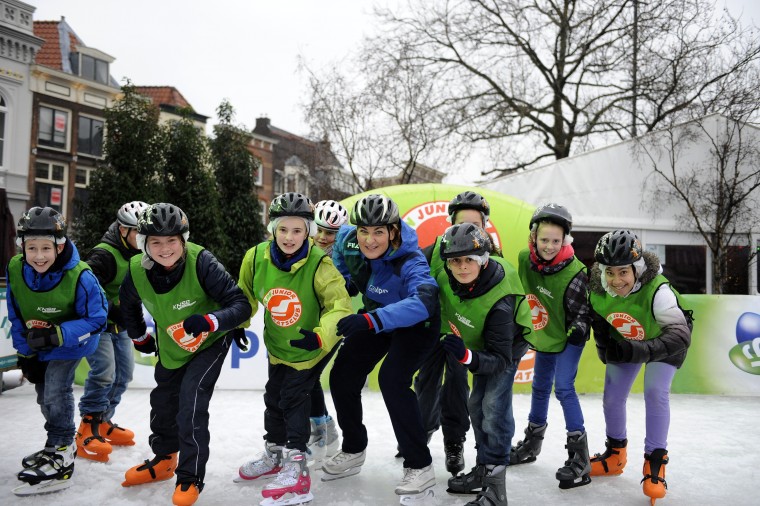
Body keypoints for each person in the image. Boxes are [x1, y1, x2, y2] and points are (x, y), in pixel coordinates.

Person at [119, 203, 252, 506]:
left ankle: (190, 475)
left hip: (209, 342)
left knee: (190, 402)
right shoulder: (137, 270)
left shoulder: (202, 261)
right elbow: (128, 306)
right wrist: (140, 336)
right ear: (144, 244)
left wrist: (211, 320)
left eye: (172, 241)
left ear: (183, 240)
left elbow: (239, 304)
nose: (165, 248)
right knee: (163, 402)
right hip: (172, 345)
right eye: (156, 242)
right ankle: (165, 459)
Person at [321, 194, 440, 503]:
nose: (369, 240)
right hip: (378, 317)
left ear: (393, 232)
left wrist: (371, 320)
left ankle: (420, 464)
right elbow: (340, 281)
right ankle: (353, 449)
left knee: (392, 380)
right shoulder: (347, 242)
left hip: (417, 323)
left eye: (378, 232)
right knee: (342, 375)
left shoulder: (409, 259)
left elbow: (424, 302)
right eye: (364, 231)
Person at [235, 193, 351, 505]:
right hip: (278, 344)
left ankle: (297, 466)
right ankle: (273, 453)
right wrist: (236, 325)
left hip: (311, 346)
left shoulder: (320, 264)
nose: (289, 237)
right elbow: (243, 296)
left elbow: (340, 307)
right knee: (273, 396)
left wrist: (319, 336)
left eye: (298, 231)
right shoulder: (255, 257)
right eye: (283, 229)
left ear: (308, 232)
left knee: (293, 398)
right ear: (272, 228)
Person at [7, 207, 107, 496]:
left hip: (71, 342)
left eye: (46, 248)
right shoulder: (15, 268)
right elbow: (16, 313)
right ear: (22, 247)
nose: (39, 255)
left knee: (55, 390)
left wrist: (58, 334)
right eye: (32, 248)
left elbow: (97, 319)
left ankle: (62, 451)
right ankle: (55, 445)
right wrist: (25, 353)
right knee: (43, 396)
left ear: (59, 246)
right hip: (37, 342)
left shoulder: (80, 275)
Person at [587, 229, 691, 504]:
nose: (616, 280)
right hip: (630, 341)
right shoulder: (598, 290)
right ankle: (615, 454)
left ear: (637, 268)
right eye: (610, 272)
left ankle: (655, 463)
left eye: (623, 272)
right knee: (612, 395)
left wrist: (639, 350)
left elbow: (681, 336)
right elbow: (601, 325)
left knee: (655, 392)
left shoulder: (659, 290)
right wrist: (605, 349)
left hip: (666, 343)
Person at [438, 224, 532, 506]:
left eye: (469, 260)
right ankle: (483, 469)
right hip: (481, 343)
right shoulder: (447, 277)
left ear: (483, 261)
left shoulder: (501, 302)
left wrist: (466, 356)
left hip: (507, 347)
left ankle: (496, 487)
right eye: (456, 260)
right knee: (476, 405)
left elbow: (501, 359)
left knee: (493, 406)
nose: (462, 267)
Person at [511, 203, 593, 489]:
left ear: (565, 240)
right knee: (540, 386)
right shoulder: (525, 259)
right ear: (534, 237)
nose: (549, 246)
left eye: (556, 241)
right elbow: (514, 289)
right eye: (544, 239)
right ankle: (532, 444)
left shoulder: (577, 273)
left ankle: (579, 457)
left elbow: (583, 312)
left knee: (564, 388)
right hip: (545, 332)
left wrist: (578, 330)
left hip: (569, 335)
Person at [414, 190, 496, 476]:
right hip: (434, 330)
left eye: (477, 224)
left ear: (485, 226)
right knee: (425, 383)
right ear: (450, 223)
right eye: (463, 222)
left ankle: (454, 443)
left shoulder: (491, 256)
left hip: (464, 336)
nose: (471, 229)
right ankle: (419, 434)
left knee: (457, 385)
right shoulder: (433, 250)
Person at [76, 200, 150, 462]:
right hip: (98, 325)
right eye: (138, 234)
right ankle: (87, 427)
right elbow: (83, 290)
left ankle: (104, 422)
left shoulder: (142, 255)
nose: (144, 240)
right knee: (104, 372)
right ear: (122, 230)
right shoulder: (104, 255)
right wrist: (111, 311)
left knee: (124, 374)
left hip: (120, 325)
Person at [306, 199, 350, 458]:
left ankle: (324, 428)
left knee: (309, 376)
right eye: (319, 229)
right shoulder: (303, 246)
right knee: (306, 378)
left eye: (330, 233)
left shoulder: (345, 257)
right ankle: (322, 425)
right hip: (306, 322)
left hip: (333, 325)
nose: (322, 237)